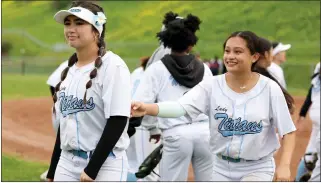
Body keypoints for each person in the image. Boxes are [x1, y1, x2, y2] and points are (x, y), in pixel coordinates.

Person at [131, 31, 296, 181]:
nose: (230, 56)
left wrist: (285, 165)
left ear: (254, 57)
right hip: (221, 168)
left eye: (238, 52)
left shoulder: (269, 88)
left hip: (257, 168)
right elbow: (180, 108)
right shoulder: (212, 85)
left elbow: (288, 131)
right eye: (227, 51)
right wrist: (147, 108)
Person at [46, 1, 131, 181]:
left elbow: (118, 120)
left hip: (106, 164)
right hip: (67, 163)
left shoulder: (113, 66)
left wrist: (92, 170)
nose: (70, 28)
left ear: (96, 30)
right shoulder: (68, 70)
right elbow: (63, 126)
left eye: (79, 23)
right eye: (67, 23)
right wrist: (53, 171)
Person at [133, 14, 213, 181]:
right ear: (191, 44)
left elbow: (142, 103)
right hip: (205, 133)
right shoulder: (204, 68)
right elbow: (214, 102)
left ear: (166, 41)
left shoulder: (157, 68)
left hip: (175, 134)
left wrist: (152, 128)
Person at [126, 56, 161, 182]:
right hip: (144, 125)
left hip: (128, 123)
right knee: (149, 172)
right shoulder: (153, 76)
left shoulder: (136, 73)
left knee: (130, 166)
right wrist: (154, 129)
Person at [295, 62, 320, 181]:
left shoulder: (316, 82)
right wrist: (301, 115)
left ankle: (298, 179)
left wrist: (302, 115)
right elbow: (309, 99)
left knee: (309, 157)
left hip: (316, 122)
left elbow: (308, 99)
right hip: (318, 123)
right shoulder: (316, 83)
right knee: (313, 158)